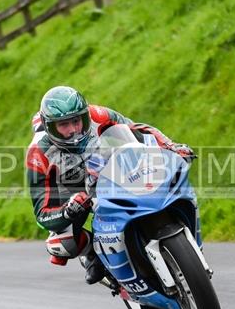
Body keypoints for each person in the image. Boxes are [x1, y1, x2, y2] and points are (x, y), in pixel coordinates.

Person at [25, 85, 196, 285]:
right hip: (67, 188)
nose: (73, 130)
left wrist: (171, 147)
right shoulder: (38, 153)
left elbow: (137, 129)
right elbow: (42, 214)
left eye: (76, 121)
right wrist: (67, 211)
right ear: (50, 128)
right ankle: (91, 254)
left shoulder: (97, 114)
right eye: (63, 125)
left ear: (84, 115)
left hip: (102, 166)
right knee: (63, 244)